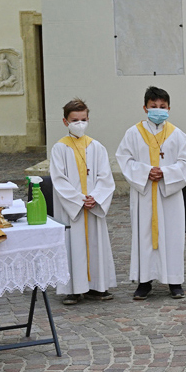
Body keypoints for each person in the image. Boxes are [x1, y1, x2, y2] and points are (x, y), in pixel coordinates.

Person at [116, 86, 186, 300]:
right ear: (145, 108)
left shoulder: (178, 135)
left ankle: (174, 281)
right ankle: (144, 281)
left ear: (169, 108)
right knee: (144, 235)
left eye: (162, 106)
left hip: (169, 196)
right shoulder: (133, 134)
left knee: (172, 236)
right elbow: (124, 159)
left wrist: (165, 173)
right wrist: (146, 172)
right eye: (154, 106)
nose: (158, 110)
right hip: (144, 195)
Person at [50, 98, 117, 305]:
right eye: (75, 120)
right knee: (73, 245)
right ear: (65, 121)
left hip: (93, 205)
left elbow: (105, 177)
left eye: (83, 120)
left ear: (88, 119)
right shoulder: (59, 148)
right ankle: (72, 289)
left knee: (96, 244)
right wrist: (79, 199)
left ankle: (97, 286)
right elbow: (58, 179)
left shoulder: (97, 147)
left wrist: (95, 197)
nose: (79, 124)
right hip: (72, 208)